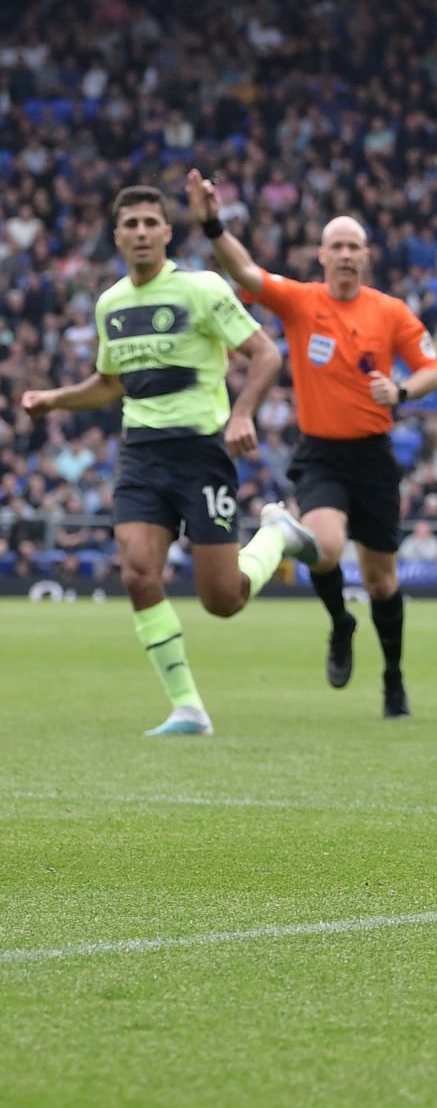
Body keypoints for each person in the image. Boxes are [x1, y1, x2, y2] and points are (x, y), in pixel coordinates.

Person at [15, 185, 317, 735]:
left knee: (223, 600)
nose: (140, 232)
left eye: (150, 222)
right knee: (136, 571)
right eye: (130, 224)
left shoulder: (201, 288)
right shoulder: (110, 304)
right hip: (141, 457)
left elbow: (266, 353)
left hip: (202, 455)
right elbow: (110, 384)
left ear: (166, 232)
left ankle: (276, 533)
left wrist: (244, 412)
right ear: (117, 236)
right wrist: (54, 399)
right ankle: (188, 707)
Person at [186, 169, 437, 719]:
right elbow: (244, 269)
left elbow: (432, 371)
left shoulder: (390, 311)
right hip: (321, 452)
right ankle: (338, 623)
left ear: (366, 256)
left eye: (355, 246)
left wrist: (399, 390)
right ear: (321, 256)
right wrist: (212, 224)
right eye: (337, 246)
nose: (346, 254)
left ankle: (393, 679)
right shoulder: (302, 302)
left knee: (382, 580)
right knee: (324, 549)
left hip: (373, 455)